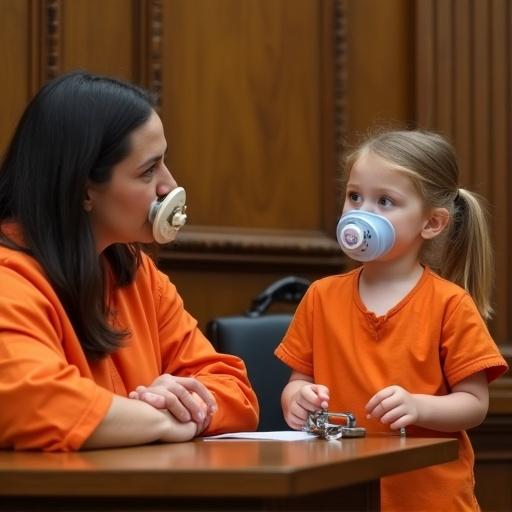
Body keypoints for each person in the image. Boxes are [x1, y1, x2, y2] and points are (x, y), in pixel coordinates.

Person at [0, 71, 258, 451]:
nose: (169, 185)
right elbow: (31, 403)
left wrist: (177, 405)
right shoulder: (9, 279)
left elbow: (235, 390)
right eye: (148, 170)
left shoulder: (137, 272)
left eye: (163, 162)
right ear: (84, 189)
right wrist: (159, 418)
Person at [275, 130, 508, 511]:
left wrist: (421, 407)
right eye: (354, 197)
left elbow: (474, 403)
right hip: (341, 492)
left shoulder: (450, 304)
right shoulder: (321, 296)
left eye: (384, 201)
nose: (362, 212)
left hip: (428, 499)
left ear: (431, 223)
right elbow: (299, 380)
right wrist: (295, 399)